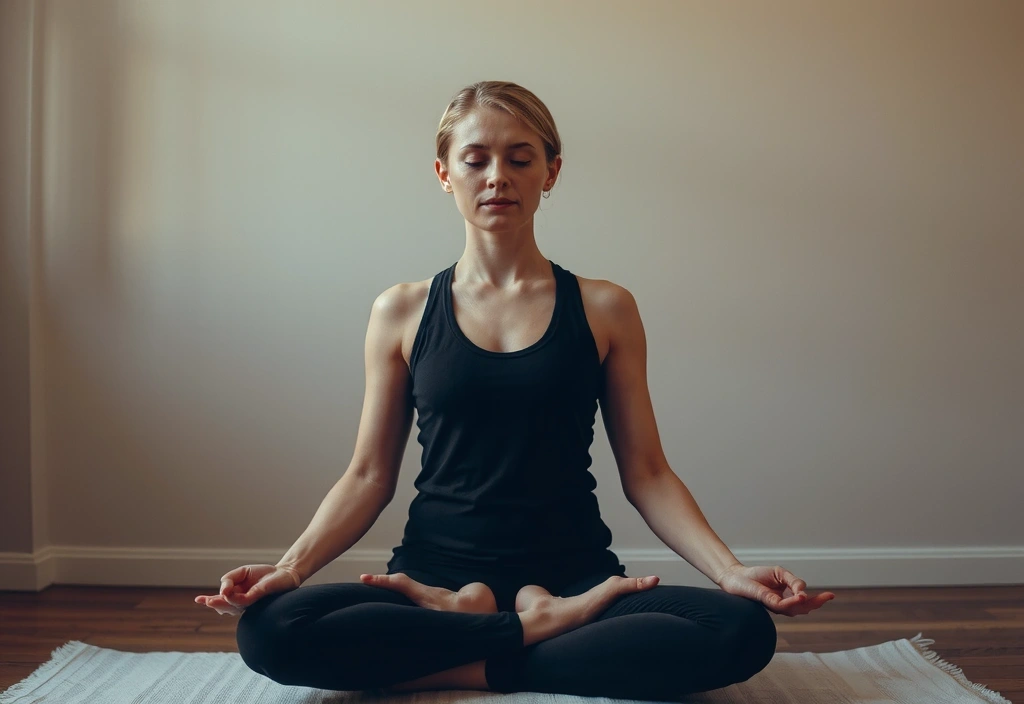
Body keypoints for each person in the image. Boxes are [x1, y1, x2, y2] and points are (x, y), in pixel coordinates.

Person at [195, 80, 835, 700]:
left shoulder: (605, 307)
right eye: (475, 159)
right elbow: (367, 475)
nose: (497, 175)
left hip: (575, 579)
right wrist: (292, 568)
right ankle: (530, 634)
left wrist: (729, 572)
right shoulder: (402, 311)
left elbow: (647, 472)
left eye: (519, 158)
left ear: (551, 171)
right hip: (433, 582)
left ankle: (466, 651)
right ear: (445, 172)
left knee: (740, 629)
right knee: (270, 631)